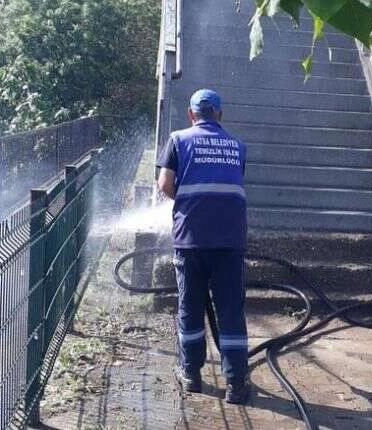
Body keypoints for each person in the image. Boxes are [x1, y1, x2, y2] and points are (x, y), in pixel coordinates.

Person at [156, 88, 250, 404]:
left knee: (190, 306)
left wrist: (186, 200)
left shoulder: (178, 140)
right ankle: (236, 384)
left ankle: (191, 376)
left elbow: (165, 184)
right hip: (229, 239)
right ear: (220, 115)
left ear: (191, 114)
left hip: (191, 239)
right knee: (230, 310)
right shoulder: (238, 145)